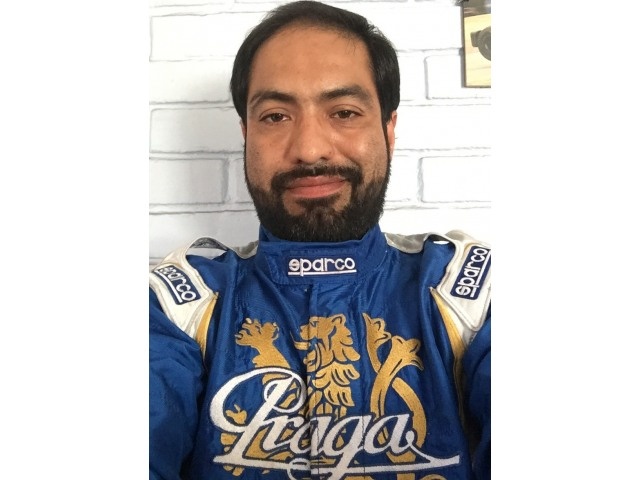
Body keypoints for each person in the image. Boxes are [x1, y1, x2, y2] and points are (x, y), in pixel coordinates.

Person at [149, 1, 491, 479]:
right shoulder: (177, 304)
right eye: (275, 117)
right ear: (246, 134)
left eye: (344, 112)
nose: (309, 149)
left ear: (389, 129)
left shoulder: (469, 292)